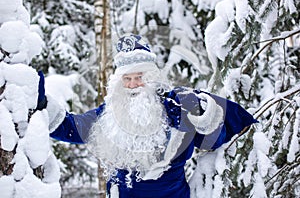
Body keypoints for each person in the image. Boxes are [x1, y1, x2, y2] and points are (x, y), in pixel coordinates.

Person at [37, 34, 258, 198]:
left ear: (152, 76)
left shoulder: (178, 105)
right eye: (127, 79)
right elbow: (72, 128)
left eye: (139, 77)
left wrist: (202, 112)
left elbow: (214, 141)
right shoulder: (109, 114)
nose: (133, 85)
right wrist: (42, 104)